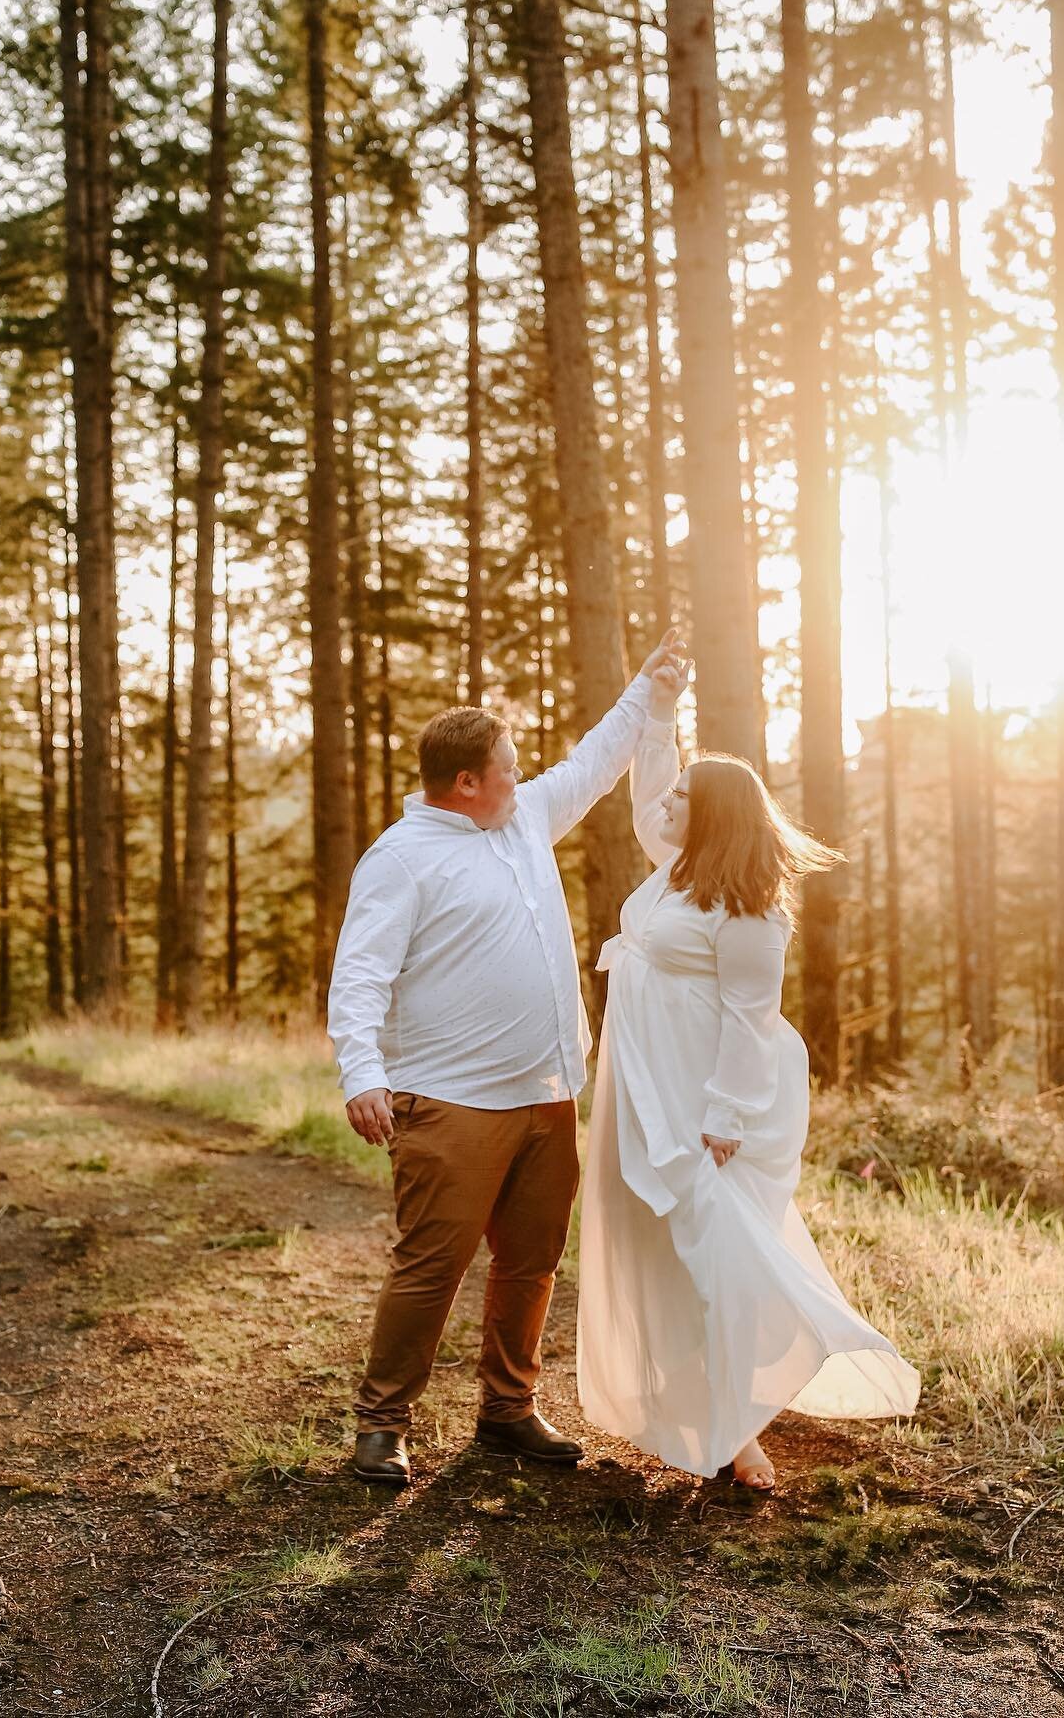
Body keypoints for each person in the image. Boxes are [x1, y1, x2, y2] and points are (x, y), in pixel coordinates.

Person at [328, 632, 687, 1487]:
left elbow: (596, 763)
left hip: (547, 1093)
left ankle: (508, 1409)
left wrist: (649, 686)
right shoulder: (401, 859)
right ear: (466, 783)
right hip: (448, 1102)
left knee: (531, 1263)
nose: (522, 776)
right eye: (508, 767)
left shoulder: (520, 819)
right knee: (431, 1266)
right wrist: (362, 1074)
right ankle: (382, 1424)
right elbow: (360, 974)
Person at [577, 681, 920, 1490]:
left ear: (718, 815)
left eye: (688, 796)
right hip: (645, 1089)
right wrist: (658, 716)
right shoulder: (677, 868)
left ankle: (745, 1423)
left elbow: (751, 1016)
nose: (671, 802)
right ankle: (701, 1406)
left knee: (716, 1252)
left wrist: (725, 1114)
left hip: (703, 1106)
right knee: (662, 1245)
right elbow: (649, 798)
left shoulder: (751, 910)